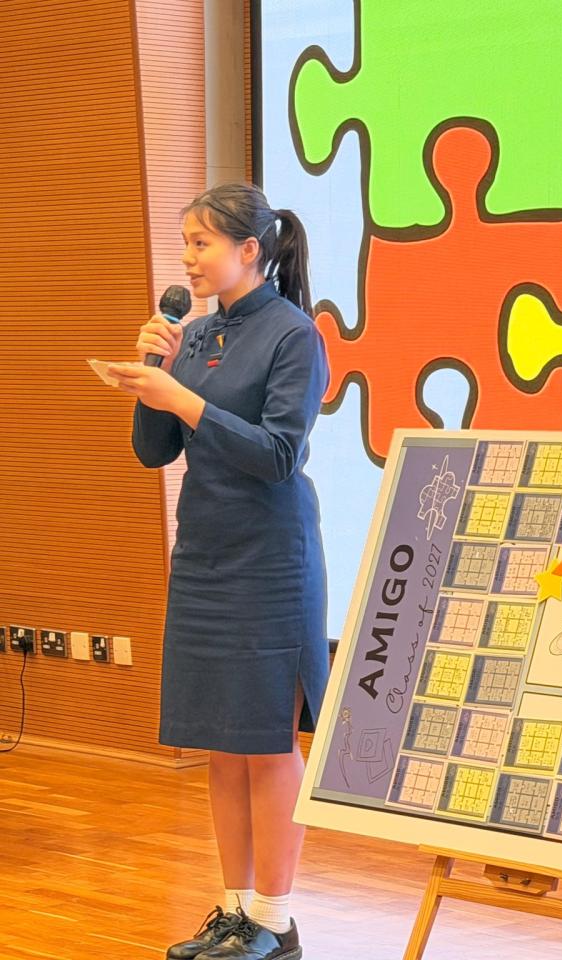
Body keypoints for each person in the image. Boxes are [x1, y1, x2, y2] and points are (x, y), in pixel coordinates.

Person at [111, 183, 328, 960]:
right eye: (186, 243)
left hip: (271, 560)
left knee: (265, 741)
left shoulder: (294, 334)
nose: (188, 258)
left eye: (201, 242)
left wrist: (186, 399)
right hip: (204, 556)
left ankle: (275, 919)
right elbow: (154, 451)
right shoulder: (195, 334)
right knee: (221, 741)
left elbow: (278, 454)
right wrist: (155, 378)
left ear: (250, 249)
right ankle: (234, 911)